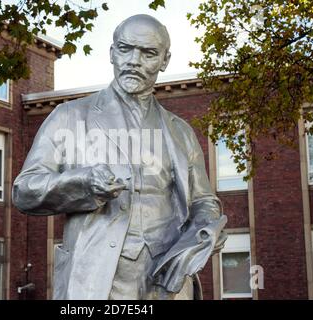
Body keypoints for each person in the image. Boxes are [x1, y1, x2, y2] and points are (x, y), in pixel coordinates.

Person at [12, 14, 227, 300]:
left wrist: (206, 229)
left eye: (148, 53)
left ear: (164, 60)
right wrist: (83, 183)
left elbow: (203, 200)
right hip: (96, 279)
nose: (134, 61)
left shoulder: (181, 132)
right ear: (112, 53)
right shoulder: (69, 117)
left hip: (166, 282)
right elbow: (25, 190)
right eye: (125, 49)